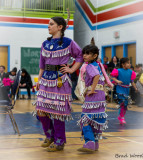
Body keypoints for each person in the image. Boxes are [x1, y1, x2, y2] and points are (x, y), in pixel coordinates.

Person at [35, 16, 83, 152]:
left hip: (60, 81)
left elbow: (80, 55)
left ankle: (59, 141)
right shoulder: (45, 43)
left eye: (51, 24)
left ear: (60, 27)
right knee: (41, 110)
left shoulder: (68, 42)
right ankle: (49, 136)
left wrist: (72, 69)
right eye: (48, 24)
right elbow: (42, 65)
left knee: (57, 113)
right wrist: (39, 80)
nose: (48, 26)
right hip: (45, 80)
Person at [77, 44, 113, 152]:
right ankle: (95, 143)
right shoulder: (98, 65)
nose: (84, 55)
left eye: (87, 54)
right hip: (101, 95)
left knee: (85, 119)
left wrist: (91, 89)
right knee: (96, 119)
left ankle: (89, 142)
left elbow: (96, 76)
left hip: (94, 94)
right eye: (84, 53)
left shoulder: (89, 66)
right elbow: (101, 76)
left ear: (95, 55)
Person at [110, 58, 137, 124]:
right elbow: (112, 77)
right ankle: (121, 117)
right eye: (128, 63)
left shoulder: (131, 72)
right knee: (122, 102)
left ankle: (121, 116)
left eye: (129, 63)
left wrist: (135, 88)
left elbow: (132, 81)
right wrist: (117, 81)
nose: (129, 64)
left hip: (127, 89)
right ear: (123, 64)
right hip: (120, 88)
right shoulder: (118, 70)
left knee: (125, 104)